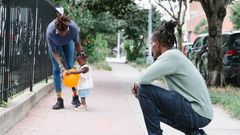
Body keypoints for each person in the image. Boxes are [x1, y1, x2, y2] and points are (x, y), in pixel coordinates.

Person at [131, 20, 213, 135]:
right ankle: (194, 133)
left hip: (197, 113)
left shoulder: (171, 56)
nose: (150, 47)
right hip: (201, 114)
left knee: (144, 91)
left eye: (151, 44)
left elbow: (144, 79)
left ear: (157, 44)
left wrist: (136, 84)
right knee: (152, 106)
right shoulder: (173, 55)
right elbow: (148, 74)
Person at [46, 14, 82, 110]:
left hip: (68, 43)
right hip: (55, 46)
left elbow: (77, 44)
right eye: (61, 33)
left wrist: (80, 56)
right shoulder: (50, 32)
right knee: (56, 69)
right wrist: (61, 66)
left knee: (70, 67)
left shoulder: (73, 29)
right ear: (57, 29)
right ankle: (59, 100)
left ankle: (75, 96)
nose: (64, 35)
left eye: (65, 32)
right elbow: (54, 51)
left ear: (68, 28)